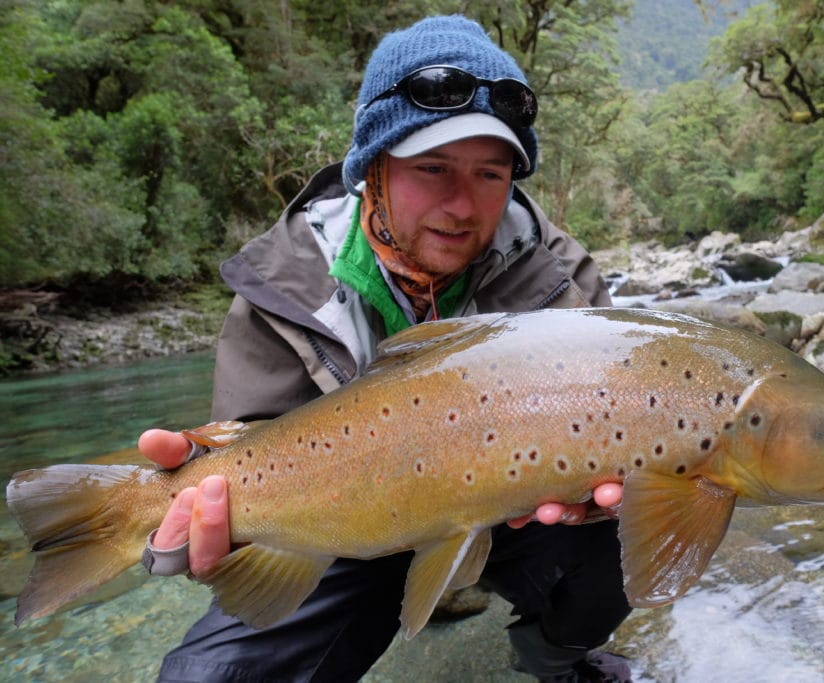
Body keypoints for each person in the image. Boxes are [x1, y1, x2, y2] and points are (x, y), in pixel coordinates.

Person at [138, 15, 630, 683]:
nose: (463, 204)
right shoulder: (284, 284)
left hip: (508, 511)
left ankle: (553, 659)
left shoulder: (560, 278)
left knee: (621, 547)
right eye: (432, 168)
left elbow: (625, 419)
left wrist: (621, 491)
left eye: (491, 174)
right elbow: (249, 451)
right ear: (372, 168)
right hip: (341, 525)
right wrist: (190, 523)